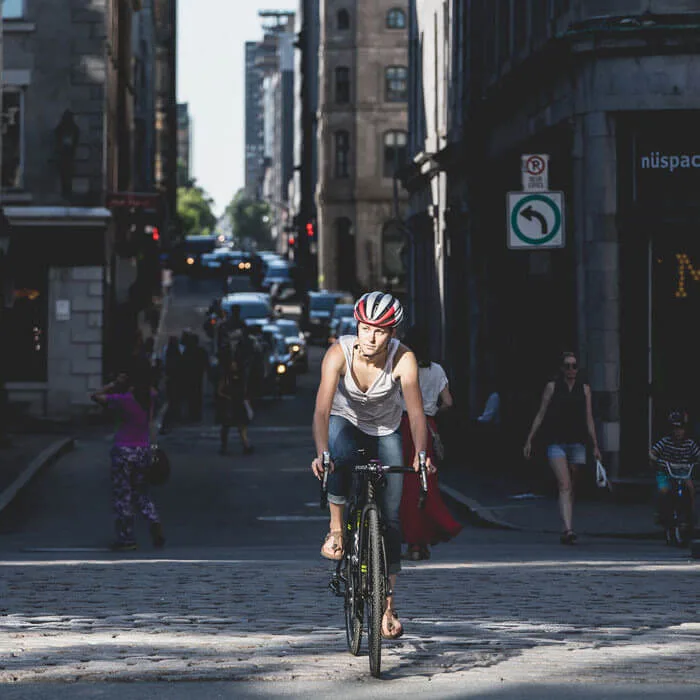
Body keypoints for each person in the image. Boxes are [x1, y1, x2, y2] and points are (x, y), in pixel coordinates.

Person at [311, 291, 433, 640]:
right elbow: (321, 410)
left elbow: (416, 412)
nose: (370, 337)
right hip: (345, 421)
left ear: (392, 333)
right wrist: (321, 453)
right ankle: (336, 531)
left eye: (379, 331)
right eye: (365, 328)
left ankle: (388, 607)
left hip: (385, 430)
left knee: (391, 517)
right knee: (338, 454)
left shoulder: (403, 359)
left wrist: (420, 453)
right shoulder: (339, 353)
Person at [523, 351, 601, 545]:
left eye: (574, 366)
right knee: (564, 484)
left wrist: (596, 446)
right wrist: (530, 439)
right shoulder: (552, 387)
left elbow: (589, 418)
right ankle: (568, 529)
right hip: (556, 441)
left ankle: (567, 520)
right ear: (561, 369)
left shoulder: (584, 389)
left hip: (578, 441)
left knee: (572, 484)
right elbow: (541, 413)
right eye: (567, 366)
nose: (571, 370)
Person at [398, 325, 463, 561]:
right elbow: (448, 401)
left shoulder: (403, 368)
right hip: (428, 425)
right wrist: (432, 410)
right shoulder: (436, 370)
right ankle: (423, 542)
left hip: (406, 426)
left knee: (408, 486)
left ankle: (415, 543)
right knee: (426, 483)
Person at [90, 365, 165, 551]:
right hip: (143, 450)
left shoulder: (123, 400)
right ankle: (153, 520)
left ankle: (126, 538)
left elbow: (95, 396)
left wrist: (115, 383)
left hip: (124, 450)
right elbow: (153, 390)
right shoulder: (150, 398)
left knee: (123, 495)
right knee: (141, 492)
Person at [649, 410, 699, 527]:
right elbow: (653, 452)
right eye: (675, 429)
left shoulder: (689, 444)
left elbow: (697, 455)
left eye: (680, 429)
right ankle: (660, 513)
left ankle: (690, 514)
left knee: (691, 489)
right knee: (663, 490)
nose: (678, 432)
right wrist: (655, 459)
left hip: (683, 473)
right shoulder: (665, 442)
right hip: (666, 472)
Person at [215, 346, 254, 455]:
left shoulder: (241, 376)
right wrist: (227, 397)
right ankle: (224, 447)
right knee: (226, 426)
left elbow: (244, 389)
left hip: (238, 402)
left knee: (241, 426)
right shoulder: (226, 377)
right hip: (229, 404)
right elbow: (220, 390)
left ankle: (246, 445)